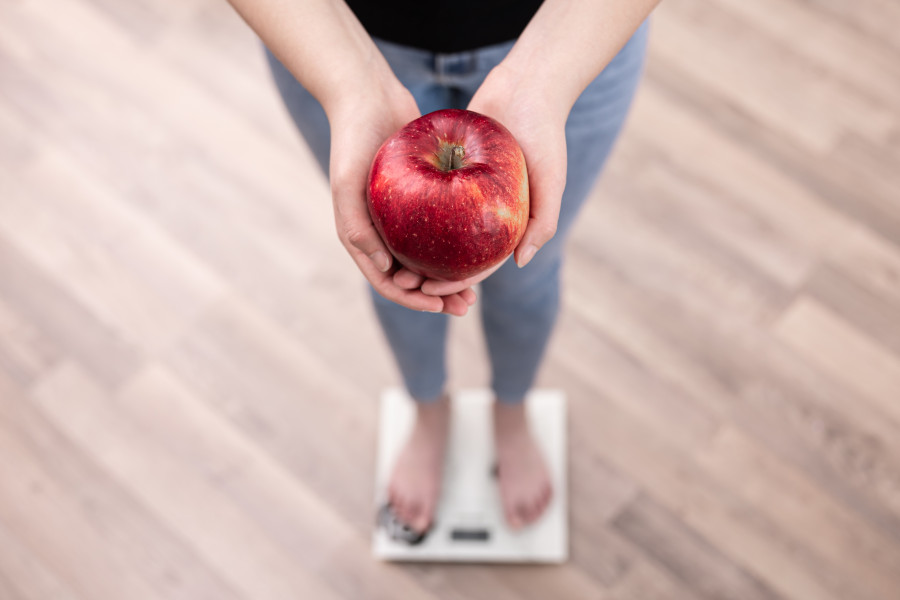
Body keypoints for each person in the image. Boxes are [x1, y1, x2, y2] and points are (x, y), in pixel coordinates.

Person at [227, 0, 660, 535]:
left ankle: (512, 409)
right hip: (329, 31)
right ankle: (428, 409)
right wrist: (352, 80)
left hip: (574, 31)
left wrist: (544, 75)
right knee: (397, 269)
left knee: (530, 273)